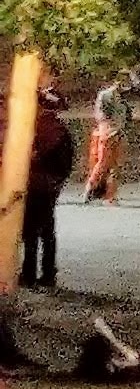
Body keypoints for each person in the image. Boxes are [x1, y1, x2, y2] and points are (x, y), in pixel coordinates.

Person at [23, 87, 75, 287]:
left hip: (39, 183)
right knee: (46, 230)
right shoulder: (58, 129)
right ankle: (47, 273)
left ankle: (30, 274)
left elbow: (38, 156)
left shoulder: (46, 129)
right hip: (49, 185)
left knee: (32, 230)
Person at [84, 72, 134, 202]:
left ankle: (110, 194)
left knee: (116, 164)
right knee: (103, 162)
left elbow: (127, 116)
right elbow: (101, 114)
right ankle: (91, 187)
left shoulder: (122, 99)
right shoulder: (106, 95)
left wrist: (123, 128)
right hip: (108, 133)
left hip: (119, 132)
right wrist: (110, 127)